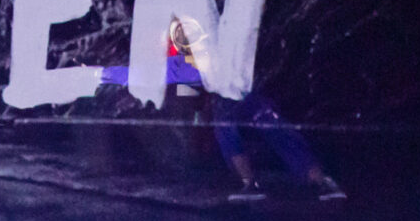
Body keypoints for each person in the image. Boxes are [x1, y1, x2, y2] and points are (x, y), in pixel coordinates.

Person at [98, 18, 345, 203]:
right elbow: (167, 80)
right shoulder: (184, 63)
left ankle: (319, 179)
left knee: (270, 124)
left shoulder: (214, 50)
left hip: (247, 95)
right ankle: (252, 183)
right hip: (226, 100)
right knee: (228, 124)